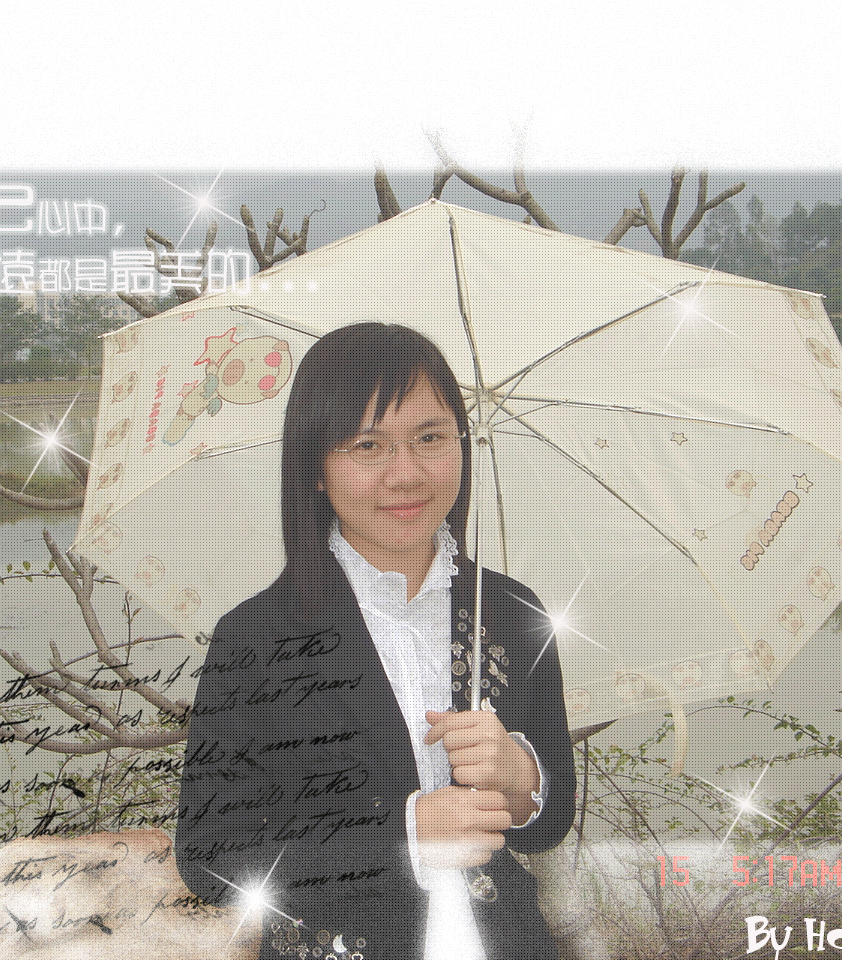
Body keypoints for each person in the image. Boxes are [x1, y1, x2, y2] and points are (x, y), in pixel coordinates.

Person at [175, 323, 576, 960]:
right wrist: (407, 834)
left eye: (430, 438)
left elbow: (548, 825)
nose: (406, 474)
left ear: (462, 444)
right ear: (316, 469)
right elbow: (210, 859)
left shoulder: (510, 611)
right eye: (368, 446)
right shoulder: (256, 637)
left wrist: (521, 776)